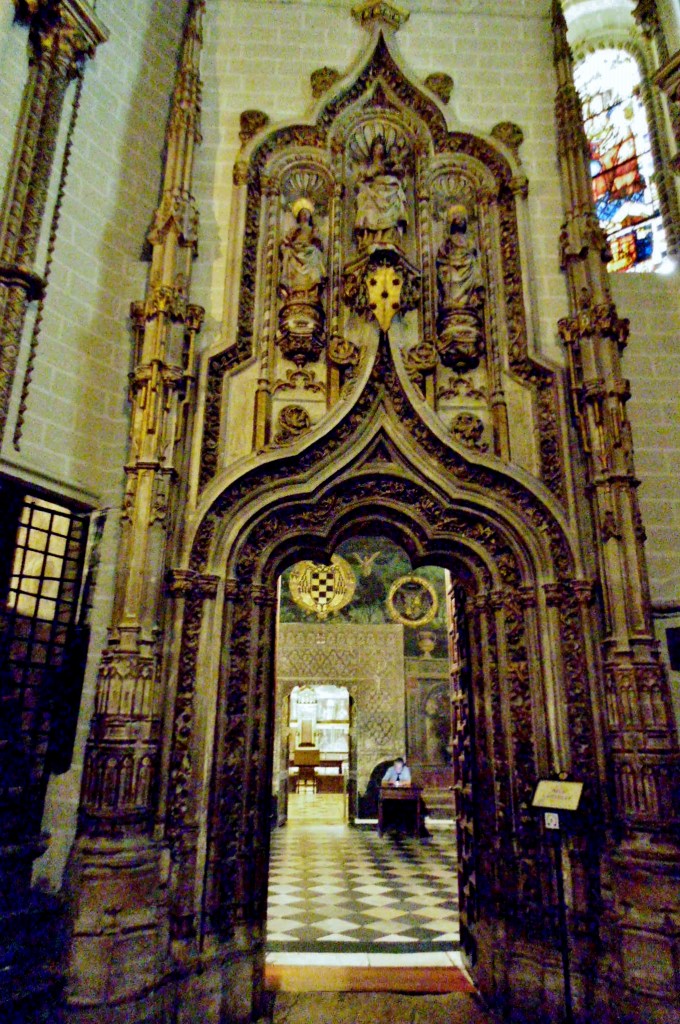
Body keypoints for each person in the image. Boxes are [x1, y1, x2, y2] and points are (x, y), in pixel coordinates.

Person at [354, 136, 407, 248]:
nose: (380, 150)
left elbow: (400, 176)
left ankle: (389, 236)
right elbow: (361, 181)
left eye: (382, 148)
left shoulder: (388, 164)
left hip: (388, 189)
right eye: (378, 148)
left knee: (396, 197)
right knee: (367, 203)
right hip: (373, 191)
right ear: (373, 150)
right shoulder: (369, 167)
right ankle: (370, 238)